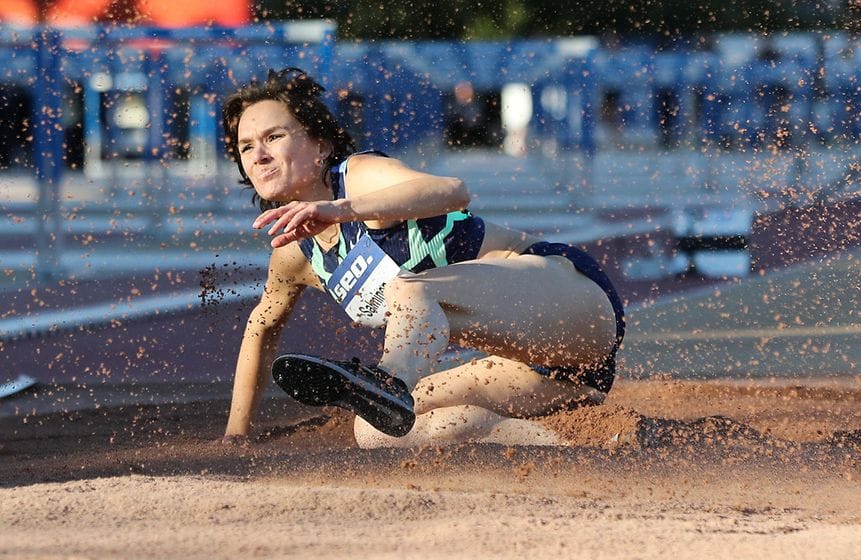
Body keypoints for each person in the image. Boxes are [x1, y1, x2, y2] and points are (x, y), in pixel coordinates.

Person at [219, 68, 625, 448]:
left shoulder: (360, 177)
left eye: (274, 137)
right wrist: (236, 434)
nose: (259, 155)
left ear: (320, 145)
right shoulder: (294, 255)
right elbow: (262, 326)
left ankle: (388, 382)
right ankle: (573, 443)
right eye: (246, 147)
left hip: (574, 305)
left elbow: (453, 190)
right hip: (536, 368)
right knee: (375, 430)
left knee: (409, 290)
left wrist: (343, 210)